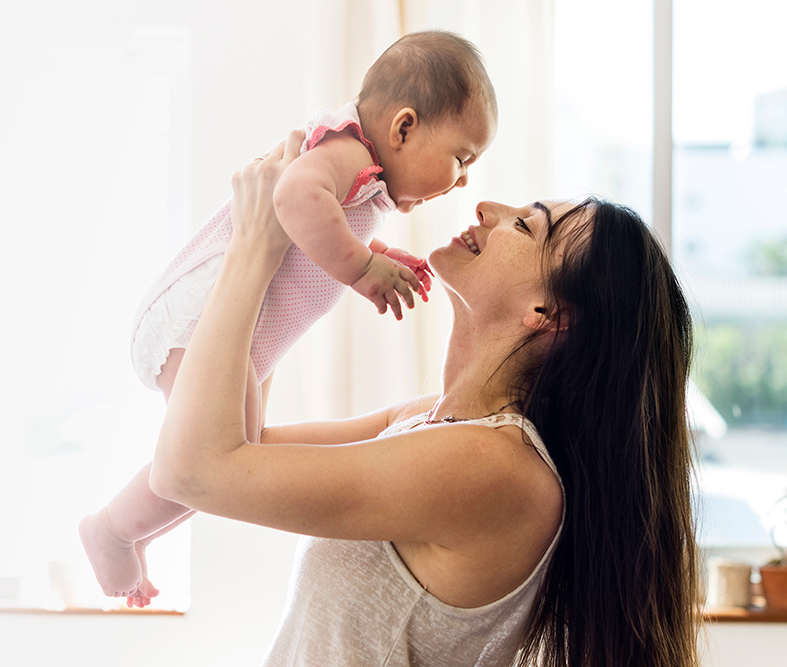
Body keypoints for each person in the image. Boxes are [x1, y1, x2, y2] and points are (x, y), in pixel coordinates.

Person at [148, 134, 702, 666]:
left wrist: (253, 247)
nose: (487, 206)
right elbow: (241, 442)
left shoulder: (493, 467)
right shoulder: (429, 423)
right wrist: (289, 261)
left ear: (546, 315)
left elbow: (194, 471)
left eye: (527, 226)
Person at [80, 29, 497, 602]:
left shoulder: (362, 174)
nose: (465, 179)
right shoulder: (349, 152)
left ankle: (127, 533)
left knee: (230, 458)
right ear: (403, 127)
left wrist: (373, 258)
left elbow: (315, 234)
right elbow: (294, 197)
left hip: (233, 327)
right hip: (201, 311)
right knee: (214, 459)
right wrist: (359, 269)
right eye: (461, 158)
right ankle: (110, 531)